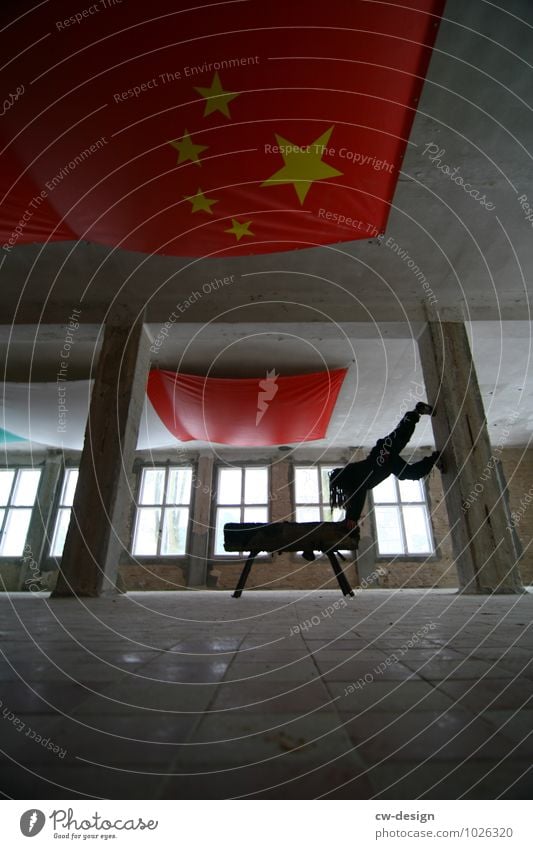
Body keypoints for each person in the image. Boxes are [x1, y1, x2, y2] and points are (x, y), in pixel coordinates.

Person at [329, 402, 442, 529]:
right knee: (404, 448)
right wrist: (351, 518)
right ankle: (434, 457)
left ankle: (418, 412)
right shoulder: (354, 479)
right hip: (385, 461)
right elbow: (354, 498)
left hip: (383, 457)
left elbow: (356, 498)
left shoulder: (356, 480)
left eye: (340, 488)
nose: (342, 491)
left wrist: (351, 518)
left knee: (402, 436)